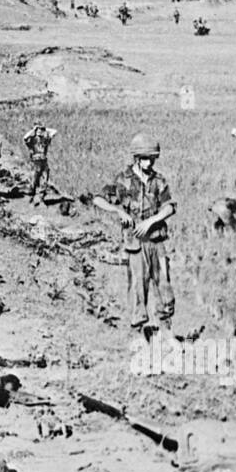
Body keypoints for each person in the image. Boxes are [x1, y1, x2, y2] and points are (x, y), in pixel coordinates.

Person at [90, 134, 177, 338]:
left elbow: (170, 207)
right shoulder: (123, 180)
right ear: (136, 158)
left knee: (164, 284)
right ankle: (138, 332)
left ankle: (167, 331)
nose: (150, 162)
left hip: (156, 241)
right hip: (135, 244)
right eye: (145, 158)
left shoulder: (159, 180)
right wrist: (118, 211)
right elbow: (98, 199)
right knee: (138, 286)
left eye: (152, 158)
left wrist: (151, 221)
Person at [23, 123, 58, 205]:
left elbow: (54, 132)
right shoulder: (32, 140)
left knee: (45, 178)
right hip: (35, 161)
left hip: (44, 160)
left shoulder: (45, 139)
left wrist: (45, 129)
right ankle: (31, 195)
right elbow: (25, 137)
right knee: (34, 178)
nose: (40, 132)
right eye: (38, 130)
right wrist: (34, 130)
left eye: (41, 130)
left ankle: (41, 197)